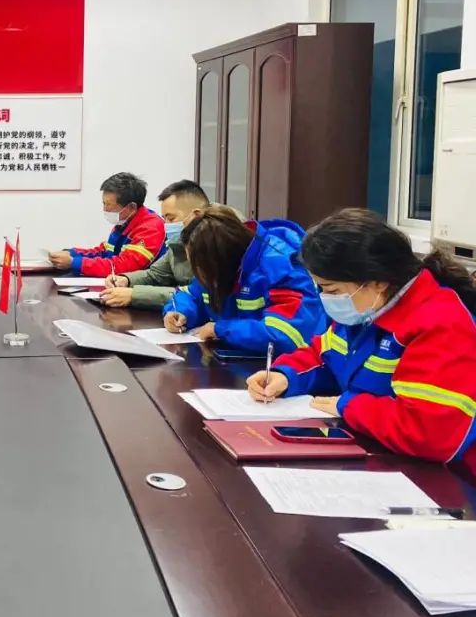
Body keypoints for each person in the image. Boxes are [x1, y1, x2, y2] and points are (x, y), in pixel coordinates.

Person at [247, 209, 476, 465]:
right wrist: (286, 375)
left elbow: (429, 433)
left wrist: (349, 406)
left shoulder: (441, 322)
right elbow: (324, 356)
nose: (325, 298)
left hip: (449, 475)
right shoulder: (366, 308)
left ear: (378, 281)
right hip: (379, 450)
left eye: (332, 290)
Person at [162, 205, 324, 354]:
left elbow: (287, 334)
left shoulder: (280, 266)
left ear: (220, 260)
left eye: (199, 266)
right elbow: (191, 294)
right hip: (231, 362)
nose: (198, 272)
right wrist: (180, 312)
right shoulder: (218, 268)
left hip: (283, 368)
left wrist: (221, 330)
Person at [101, 180, 207, 309]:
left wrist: (134, 295)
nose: (166, 225)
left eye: (171, 218)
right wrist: (126, 279)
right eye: (164, 218)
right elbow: (155, 275)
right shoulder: (177, 244)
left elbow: (197, 295)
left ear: (196, 216)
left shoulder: (217, 246)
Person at [49, 172, 166, 278]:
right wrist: (71, 253)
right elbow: (104, 252)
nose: (104, 209)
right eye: (103, 203)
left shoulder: (151, 228)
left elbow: (123, 267)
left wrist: (74, 263)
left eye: (109, 205)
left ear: (131, 207)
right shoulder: (124, 222)